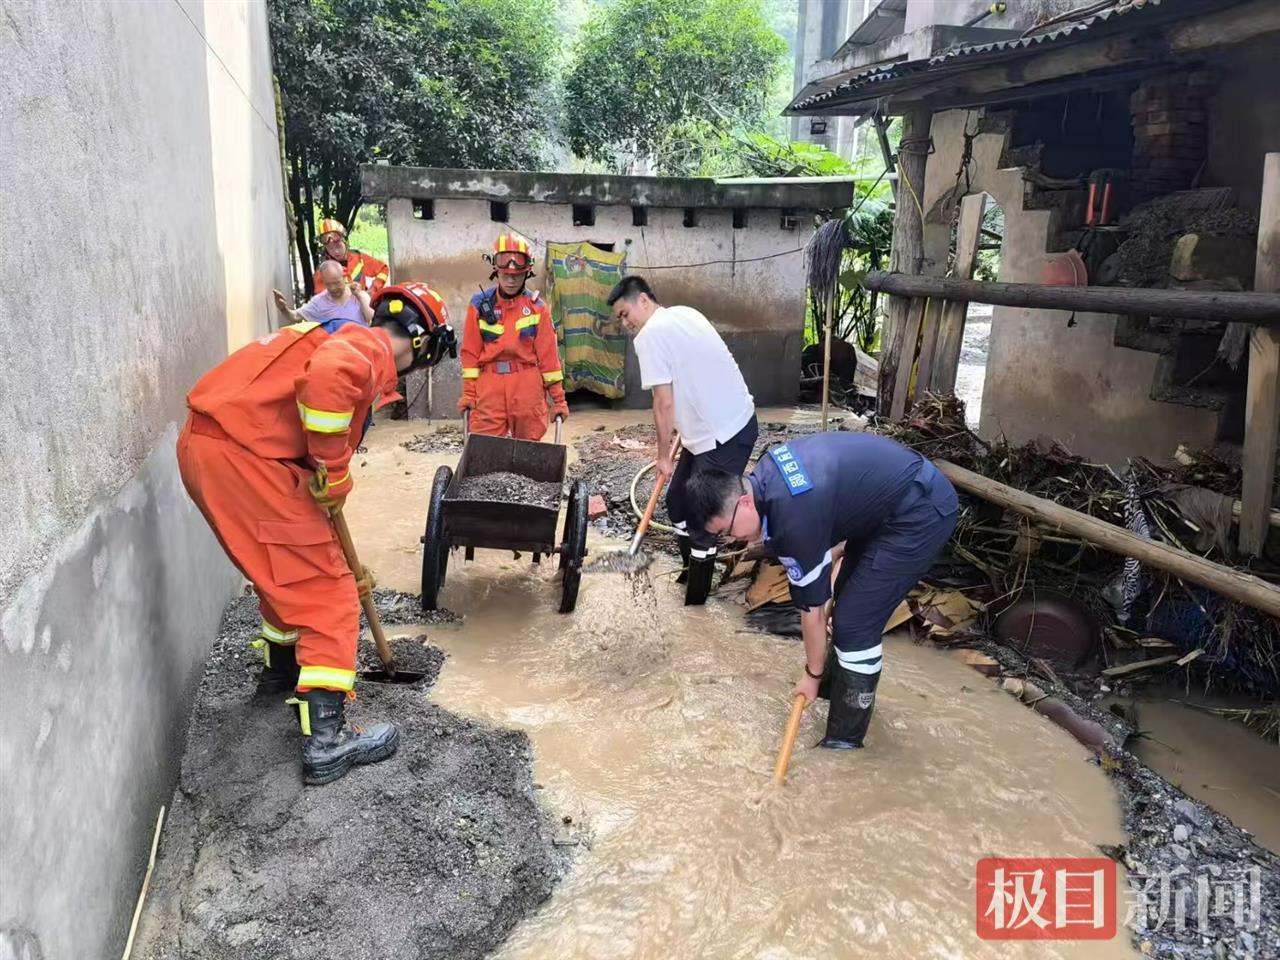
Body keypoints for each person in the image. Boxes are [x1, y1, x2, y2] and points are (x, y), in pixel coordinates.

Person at [177, 282, 453, 785]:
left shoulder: (328, 333)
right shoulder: (367, 347)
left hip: (208, 447)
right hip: (247, 457)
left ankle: (282, 673)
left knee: (283, 570)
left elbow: (303, 414)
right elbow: (328, 381)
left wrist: (320, 476)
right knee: (329, 594)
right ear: (421, 343)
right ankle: (328, 740)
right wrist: (334, 468)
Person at [683, 432, 958, 749]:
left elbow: (812, 611)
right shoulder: (765, 474)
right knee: (846, 599)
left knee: (855, 623)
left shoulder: (792, 521)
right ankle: (835, 694)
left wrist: (811, 676)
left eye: (726, 532)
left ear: (743, 502)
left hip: (920, 511)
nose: (731, 541)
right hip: (885, 505)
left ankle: (844, 744)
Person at [608, 275, 757, 606]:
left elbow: (663, 402)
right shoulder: (686, 314)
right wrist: (683, 432)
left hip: (724, 435)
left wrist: (663, 456)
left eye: (624, 313)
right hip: (713, 429)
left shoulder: (649, 335)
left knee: (704, 517)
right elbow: (695, 373)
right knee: (677, 499)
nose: (625, 323)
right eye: (620, 318)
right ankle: (691, 569)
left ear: (643, 300)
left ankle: (697, 605)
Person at [458, 232, 568, 440]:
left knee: (529, 448)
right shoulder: (479, 306)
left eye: (516, 276)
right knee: (484, 446)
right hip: (489, 386)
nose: (511, 280)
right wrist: (469, 393)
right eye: (505, 275)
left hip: (527, 386)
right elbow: (470, 354)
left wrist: (559, 400)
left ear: (526, 273)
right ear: (495, 271)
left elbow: (549, 361)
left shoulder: (537, 309)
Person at [275, 260, 373, 332]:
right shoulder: (319, 302)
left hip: (361, 349)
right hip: (334, 351)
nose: (333, 288)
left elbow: (370, 317)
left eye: (336, 283)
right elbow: (296, 316)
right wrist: (284, 309)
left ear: (344, 277)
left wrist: (359, 295)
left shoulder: (358, 295)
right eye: (328, 284)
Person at [312, 218, 390, 296]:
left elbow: (383, 269)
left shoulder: (359, 258)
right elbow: (322, 298)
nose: (336, 252)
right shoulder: (322, 271)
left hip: (363, 305)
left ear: (344, 241)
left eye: (338, 246)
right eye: (330, 248)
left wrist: (373, 288)